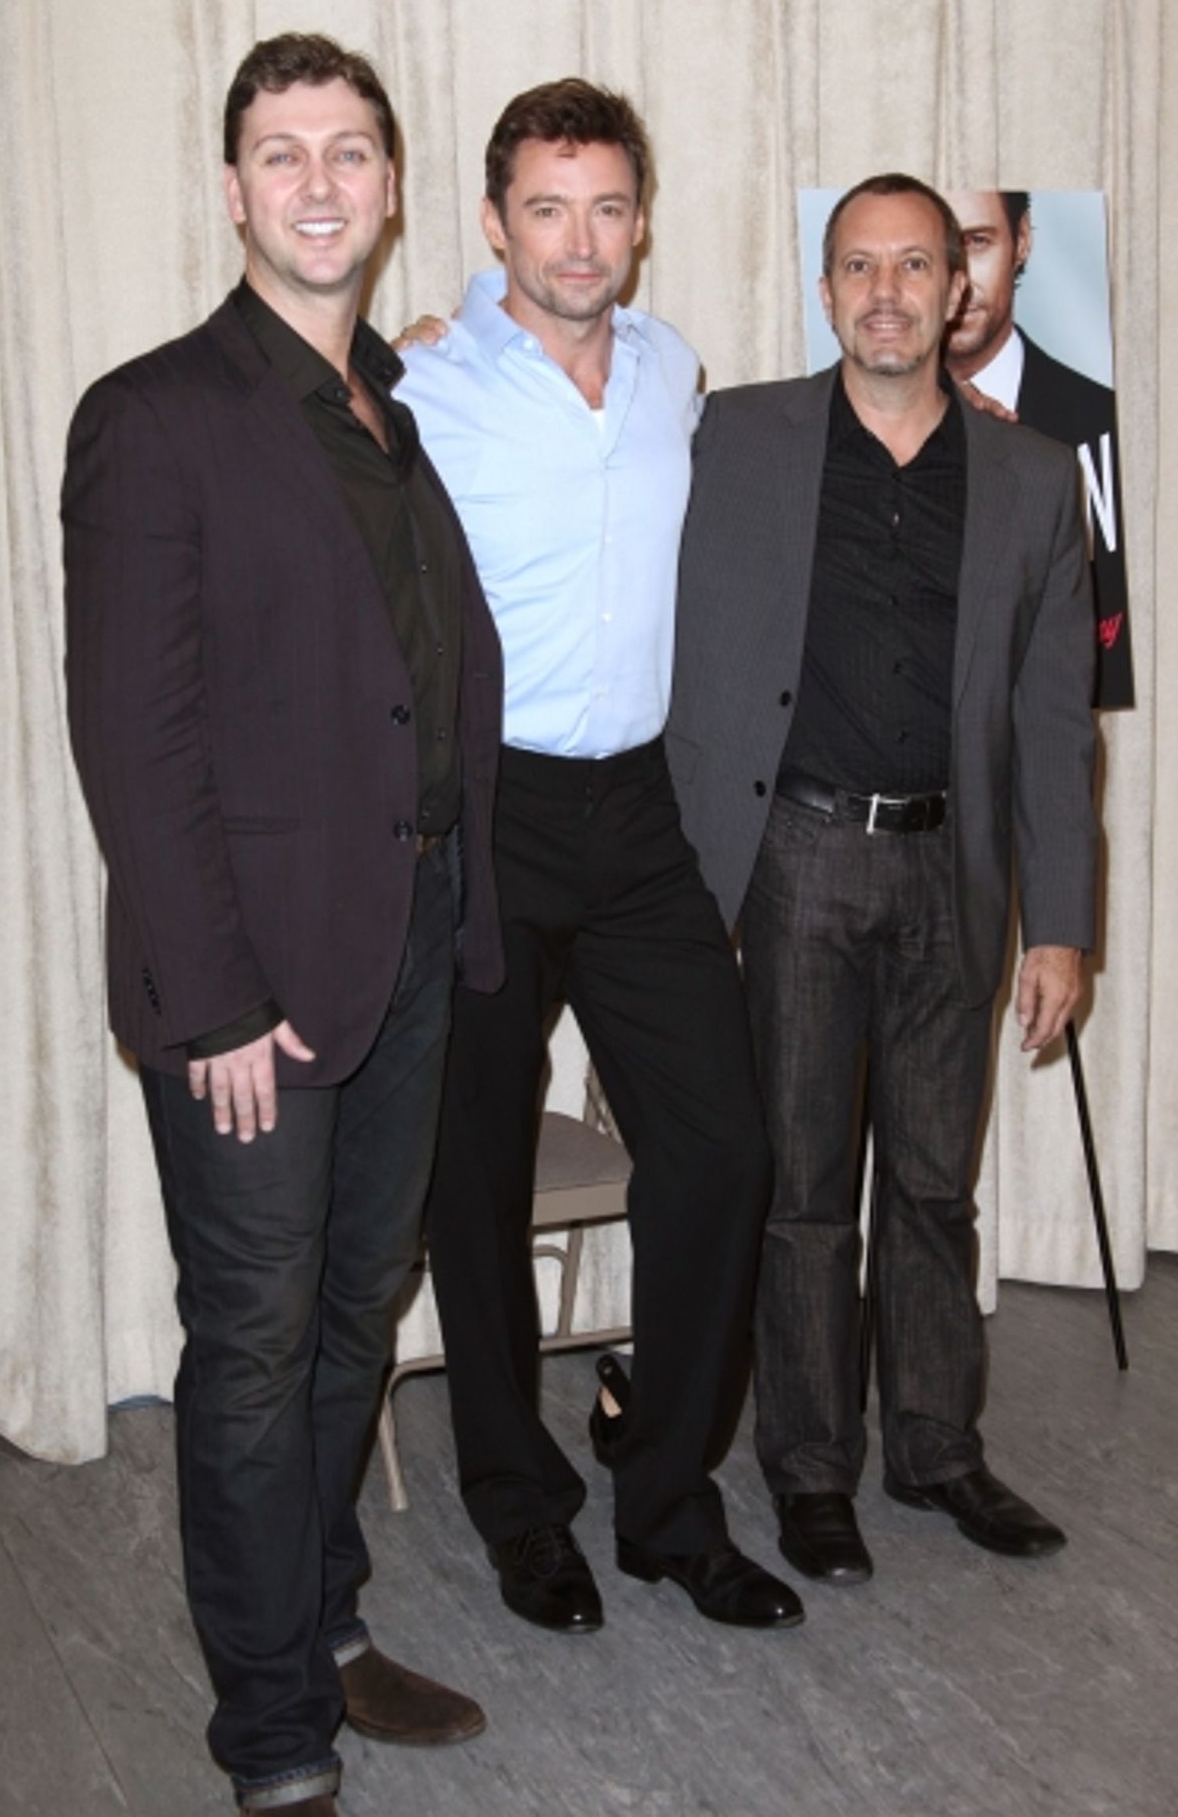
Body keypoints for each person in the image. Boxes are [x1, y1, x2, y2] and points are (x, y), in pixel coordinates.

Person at [62, 33, 503, 1817]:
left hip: (402, 941)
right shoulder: (154, 413)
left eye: (349, 151)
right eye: (281, 152)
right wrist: (216, 999)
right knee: (250, 1345)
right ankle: (269, 1738)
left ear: (392, 190)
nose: (319, 181)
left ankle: (318, 1626)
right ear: (234, 187)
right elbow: (136, 739)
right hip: (250, 984)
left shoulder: (397, 408)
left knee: (346, 1325)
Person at [397, 80, 799, 1637]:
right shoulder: (424, 386)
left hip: (636, 813)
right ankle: (519, 1503)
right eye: (548, 207)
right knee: (475, 1171)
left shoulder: (672, 366)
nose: (582, 239)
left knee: (721, 1146)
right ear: (496, 222)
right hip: (485, 811)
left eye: (608, 207)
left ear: (641, 223)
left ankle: (669, 1500)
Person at [667, 174, 1097, 1589]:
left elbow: (1050, 719)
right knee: (803, 1190)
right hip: (795, 858)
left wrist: (1064, 927)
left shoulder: (1035, 478)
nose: (890, 291)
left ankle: (935, 1446)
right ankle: (807, 1470)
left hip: (953, 873)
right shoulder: (736, 435)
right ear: (827, 286)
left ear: (959, 290)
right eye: (861, 265)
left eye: (918, 264)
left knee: (932, 1181)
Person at [946, 188, 1132, 707]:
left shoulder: (1098, 416)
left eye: (978, 241)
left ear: (1022, 240)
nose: (959, 279)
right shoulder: (854, 426)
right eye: (937, 250)